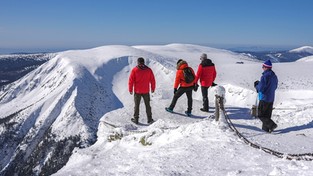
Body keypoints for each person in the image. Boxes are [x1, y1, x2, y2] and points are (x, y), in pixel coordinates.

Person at [128, 57, 156, 124]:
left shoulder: (135, 70)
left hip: (137, 91)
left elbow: (131, 81)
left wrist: (130, 89)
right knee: (147, 105)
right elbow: (152, 80)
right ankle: (149, 119)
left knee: (137, 106)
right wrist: (153, 88)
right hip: (146, 91)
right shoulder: (148, 70)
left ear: (138, 62)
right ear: (144, 62)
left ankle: (136, 119)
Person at [254, 59, 278, 133]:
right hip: (271, 98)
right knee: (267, 116)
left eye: (263, 66)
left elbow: (261, 88)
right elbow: (275, 86)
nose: (262, 68)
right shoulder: (274, 76)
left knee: (261, 115)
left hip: (264, 98)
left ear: (266, 67)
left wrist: (256, 85)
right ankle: (265, 131)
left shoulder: (264, 76)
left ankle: (272, 125)